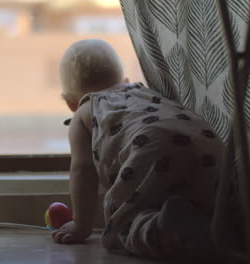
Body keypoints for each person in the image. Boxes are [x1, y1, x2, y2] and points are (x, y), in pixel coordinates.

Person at [52, 39, 225, 259]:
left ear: (70, 103)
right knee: (210, 203)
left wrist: (81, 225)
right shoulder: (144, 92)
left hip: (150, 146)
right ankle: (221, 223)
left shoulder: (84, 112)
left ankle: (161, 227)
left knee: (124, 224)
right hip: (203, 142)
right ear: (124, 80)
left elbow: (82, 170)